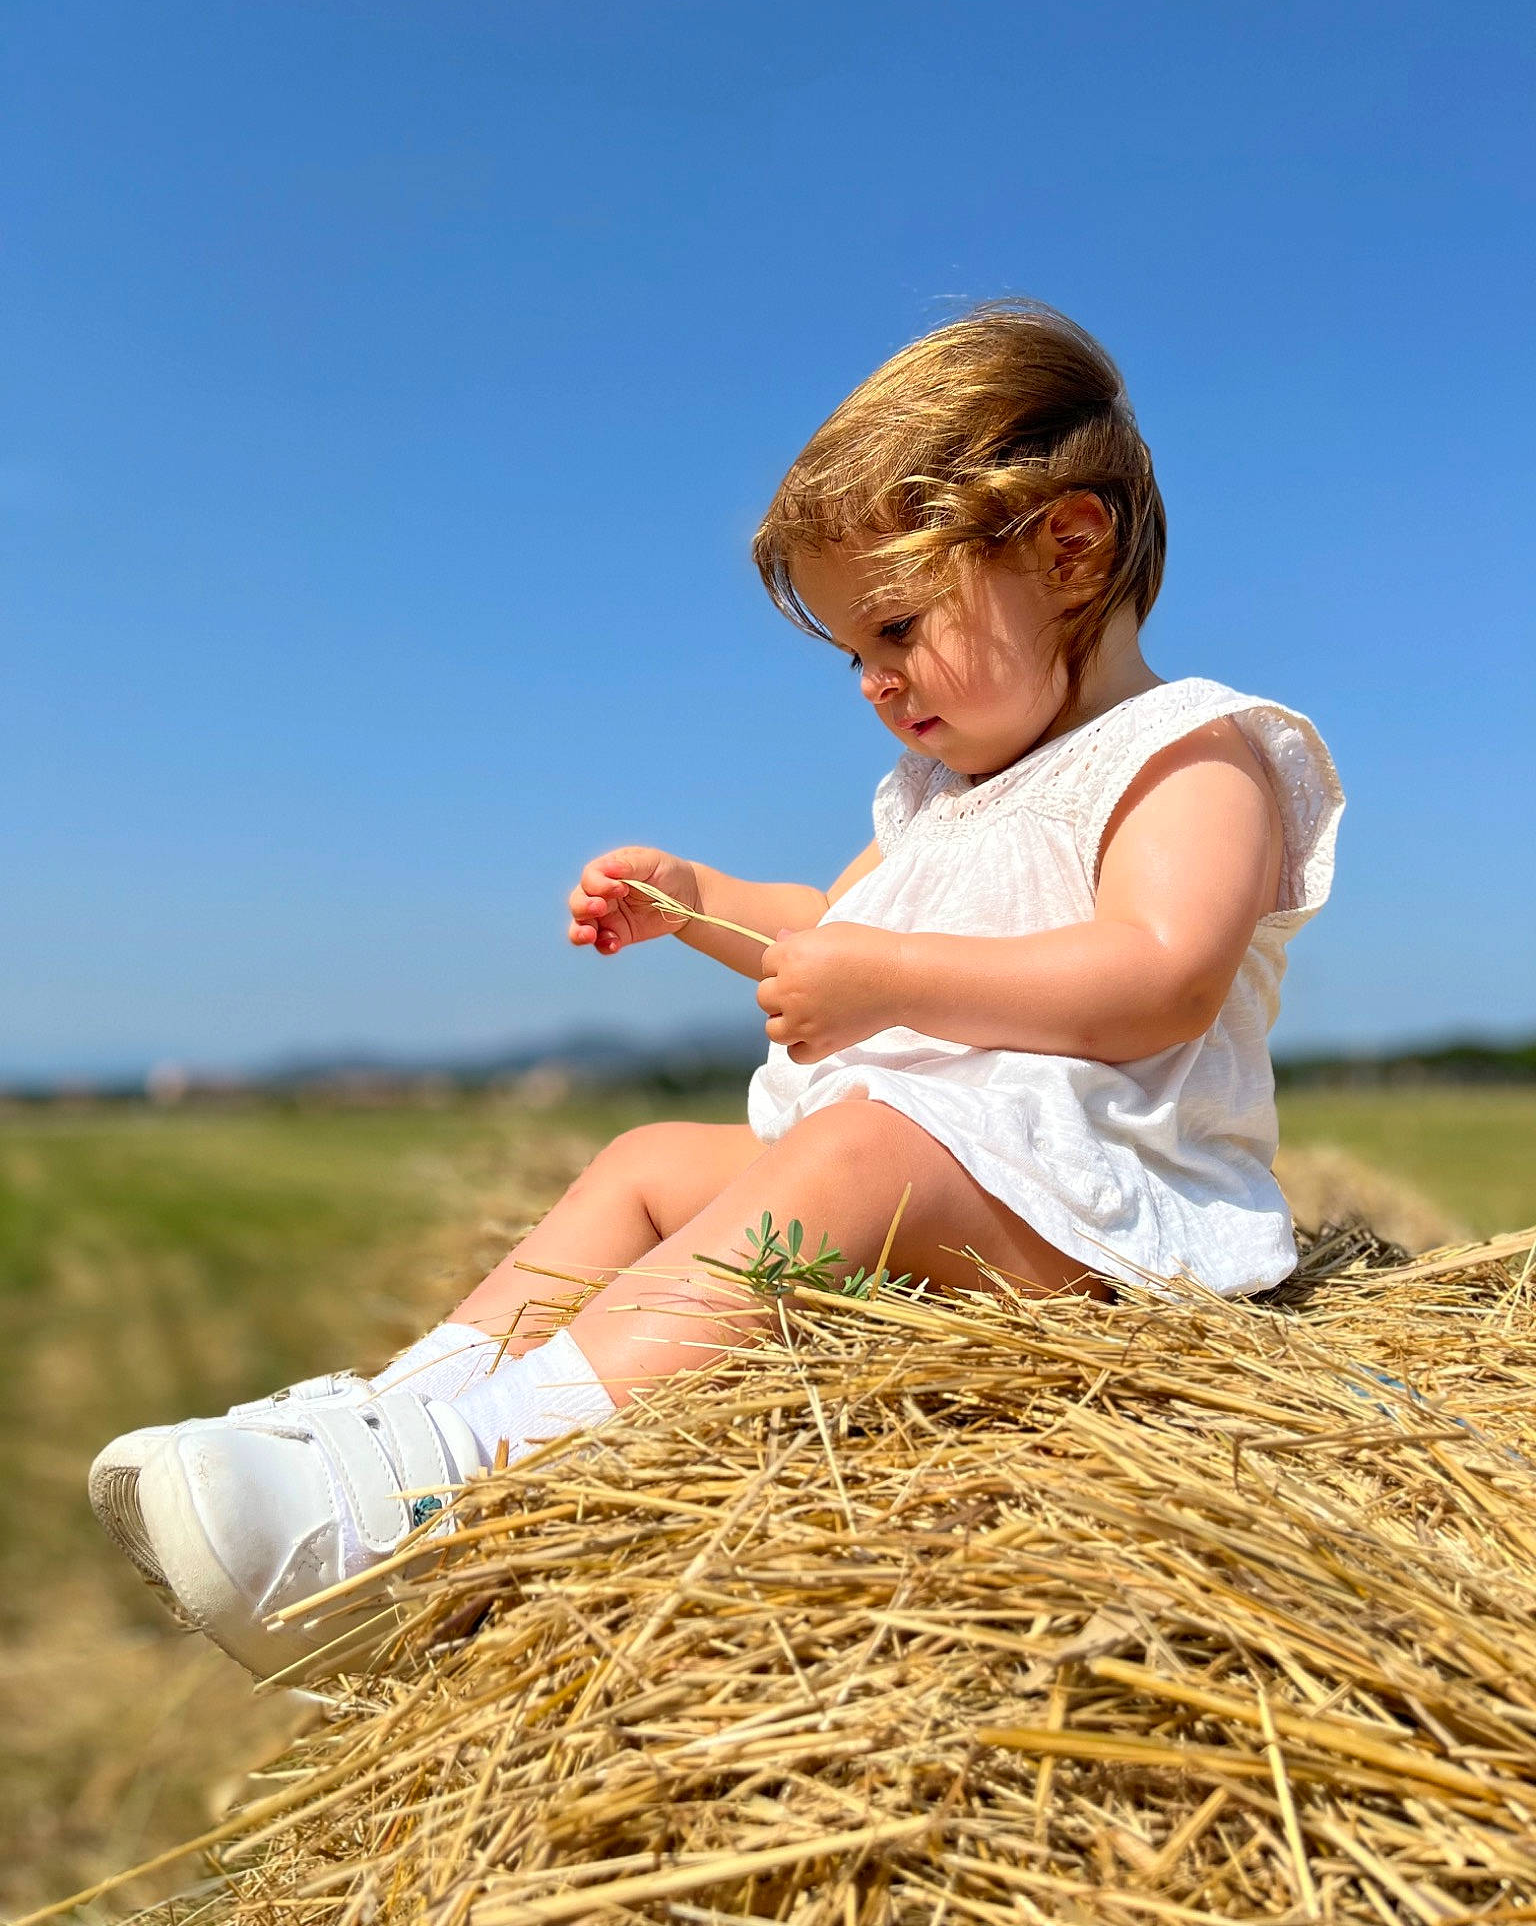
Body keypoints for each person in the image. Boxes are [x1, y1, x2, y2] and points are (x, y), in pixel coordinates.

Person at [90, 302, 1342, 1680]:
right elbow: (835, 924)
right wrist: (695, 903)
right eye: (849, 653)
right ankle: (399, 1418)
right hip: (949, 1196)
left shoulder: (1189, 752)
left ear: (1067, 546)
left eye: (897, 628)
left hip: (1109, 1232)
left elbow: (1158, 976)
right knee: (643, 1163)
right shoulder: (940, 798)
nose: (873, 682)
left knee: (859, 1151)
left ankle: (468, 1493)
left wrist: (888, 983)